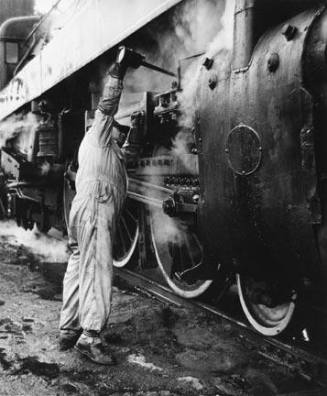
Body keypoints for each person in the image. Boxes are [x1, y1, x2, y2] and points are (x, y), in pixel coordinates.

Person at [58, 46, 143, 365]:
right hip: (95, 206)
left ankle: (68, 329)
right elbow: (107, 108)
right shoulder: (98, 133)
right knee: (97, 265)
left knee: (78, 263)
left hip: (83, 207)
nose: (120, 135)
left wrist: (136, 134)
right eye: (119, 132)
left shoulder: (107, 152)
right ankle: (89, 337)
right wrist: (118, 72)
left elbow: (127, 155)